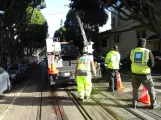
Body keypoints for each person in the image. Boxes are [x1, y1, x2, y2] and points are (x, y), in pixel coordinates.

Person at [130, 38, 160, 109]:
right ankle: (153, 104)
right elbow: (152, 64)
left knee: (135, 88)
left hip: (135, 73)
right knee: (150, 88)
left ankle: (134, 103)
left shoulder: (133, 51)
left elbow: (129, 61)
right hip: (145, 74)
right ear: (145, 43)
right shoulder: (147, 51)